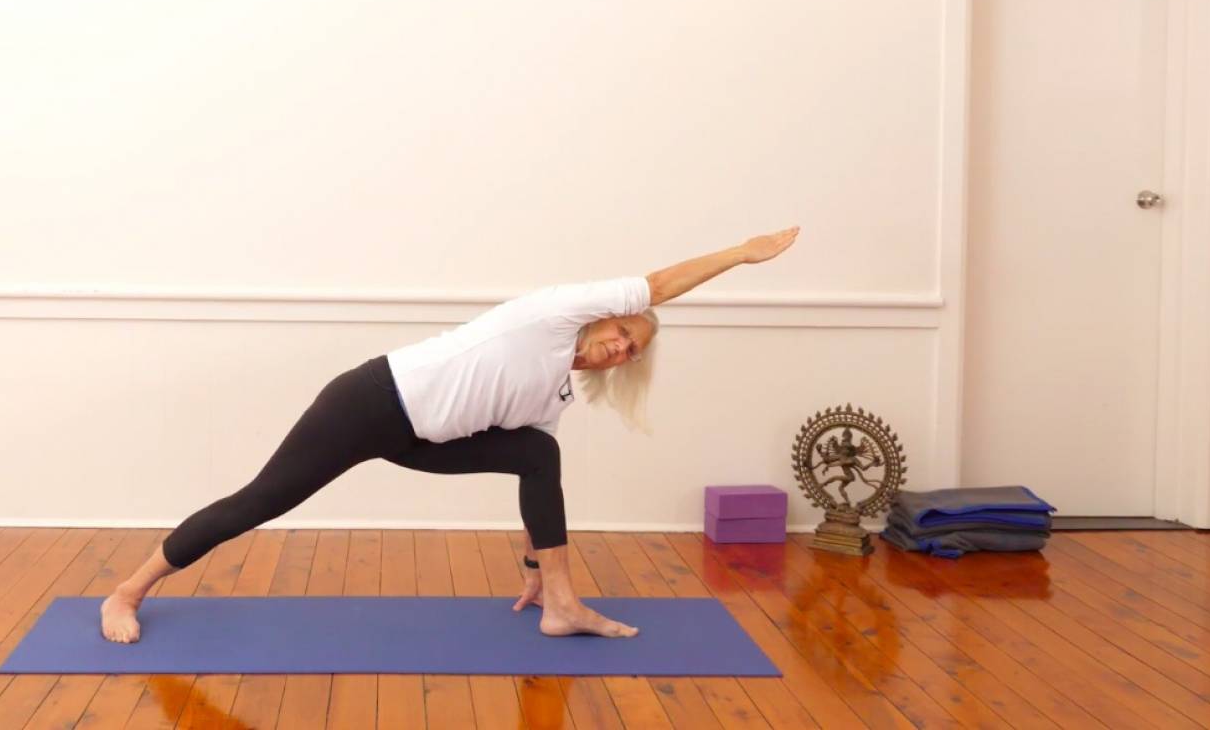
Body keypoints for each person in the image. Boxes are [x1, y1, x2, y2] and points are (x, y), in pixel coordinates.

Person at [100, 227, 801, 643]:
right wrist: (739, 254)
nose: (623, 347)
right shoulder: (555, 314)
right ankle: (128, 591)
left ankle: (557, 601)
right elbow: (652, 284)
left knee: (538, 452)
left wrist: (534, 565)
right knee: (261, 501)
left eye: (633, 350)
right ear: (602, 320)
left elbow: (537, 486)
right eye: (623, 333)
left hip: (423, 438)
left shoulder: (555, 388)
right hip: (371, 401)